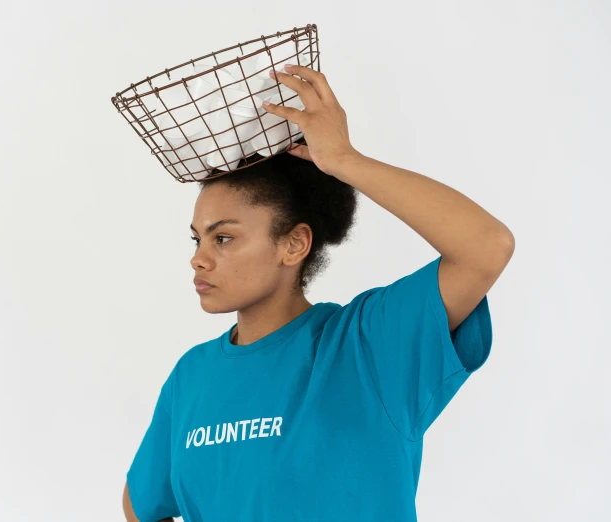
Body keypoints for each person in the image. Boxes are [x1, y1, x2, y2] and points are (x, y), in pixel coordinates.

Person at [122, 64, 515, 522]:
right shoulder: (191, 376)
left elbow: (487, 246)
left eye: (223, 238)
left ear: (294, 244)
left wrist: (344, 160)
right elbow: (140, 506)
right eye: (198, 239)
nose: (199, 258)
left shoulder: (369, 345)